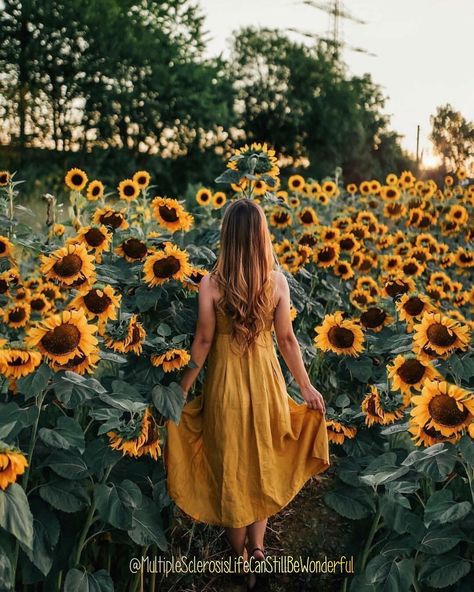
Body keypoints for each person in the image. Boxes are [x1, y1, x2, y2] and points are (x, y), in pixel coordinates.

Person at [163, 198, 330, 590]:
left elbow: (203, 342)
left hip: (225, 390)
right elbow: (287, 340)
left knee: (232, 469)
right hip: (267, 385)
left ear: (226, 237)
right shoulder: (276, 282)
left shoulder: (211, 283)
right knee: (262, 463)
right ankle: (258, 549)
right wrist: (306, 386)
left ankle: (240, 558)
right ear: (260, 236)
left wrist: (181, 389)